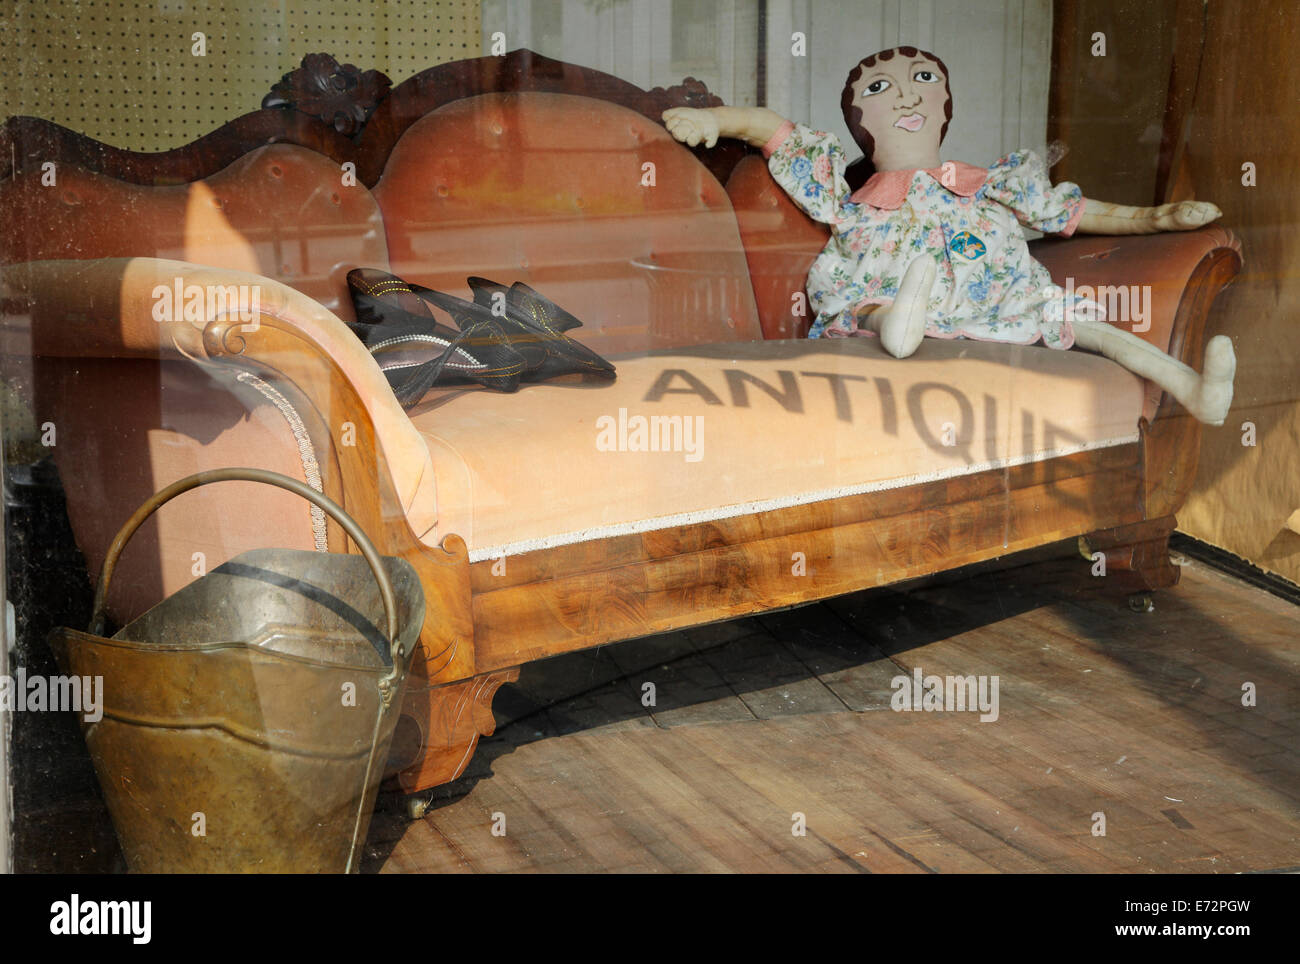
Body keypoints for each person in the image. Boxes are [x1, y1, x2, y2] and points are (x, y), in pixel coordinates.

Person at [662, 45, 1235, 425]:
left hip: (995, 293)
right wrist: (715, 121)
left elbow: (1070, 212)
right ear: (859, 119)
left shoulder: (986, 183)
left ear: (944, 104)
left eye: (922, 79)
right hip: (891, 281)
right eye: (881, 87)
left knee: (1080, 319)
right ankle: (898, 325)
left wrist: (1158, 218)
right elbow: (773, 129)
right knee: (865, 301)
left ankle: (1191, 388)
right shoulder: (849, 193)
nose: (907, 94)